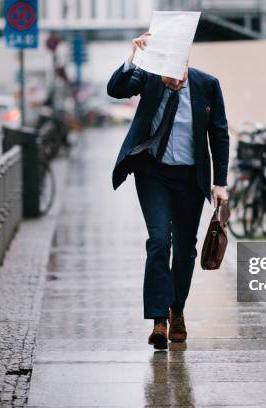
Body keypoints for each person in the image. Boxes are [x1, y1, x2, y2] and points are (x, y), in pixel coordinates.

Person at [107, 32, 229, 350]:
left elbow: (219, 134)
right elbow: (116, 89)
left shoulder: (207, 85)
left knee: (186, 248)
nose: (172, 82)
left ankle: (178, 311)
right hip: (153, 174)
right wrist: (132, 56)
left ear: (186, 65)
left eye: (178, 77)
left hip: (191, 178)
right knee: (160, 240)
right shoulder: (148, 78)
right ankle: (159, 320)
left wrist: (220, 183)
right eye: (167, 76)